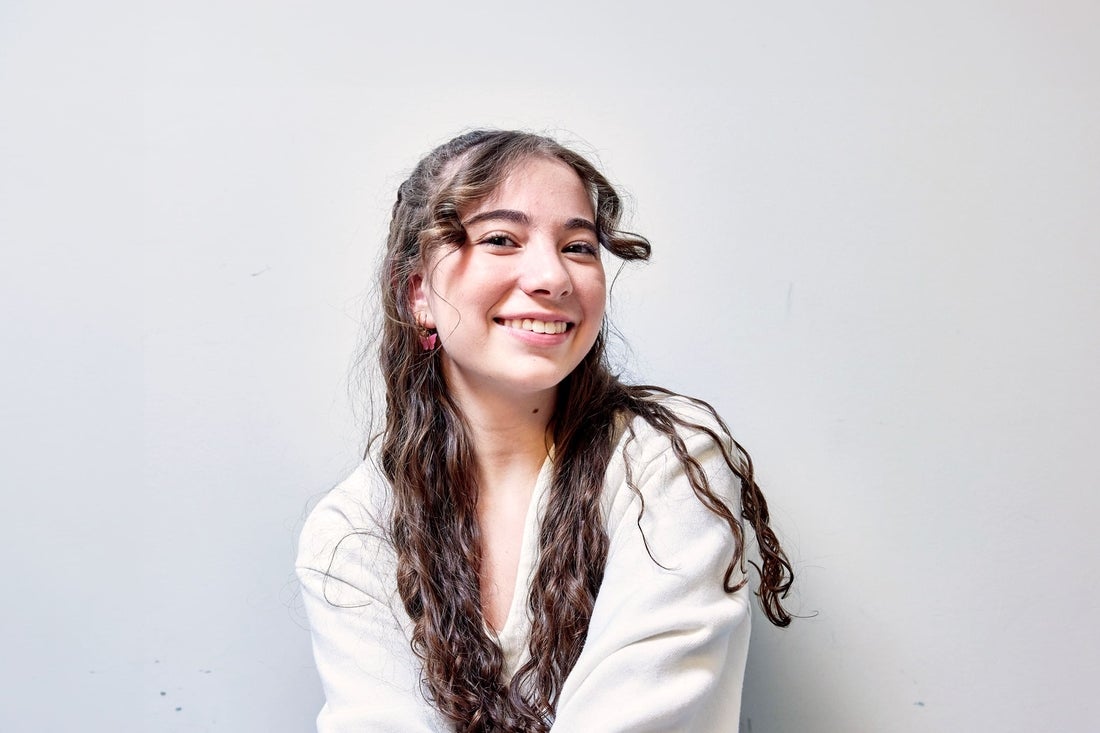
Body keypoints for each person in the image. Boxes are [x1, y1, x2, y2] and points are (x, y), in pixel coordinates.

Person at [296, 130, 794, 732]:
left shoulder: (668, 462)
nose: (552, 276)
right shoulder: (352, 530)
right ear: (419, 294)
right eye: (501, 239)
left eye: (579, 247)